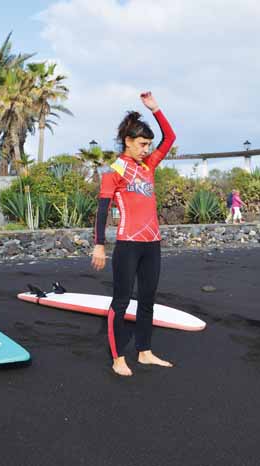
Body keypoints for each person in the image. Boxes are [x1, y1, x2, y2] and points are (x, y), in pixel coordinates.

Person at [91, 91, 176, 377]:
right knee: (122, 301)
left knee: (148, 299)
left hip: (152, 243)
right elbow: (102, 211)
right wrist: (99, 246)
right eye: (142, 143)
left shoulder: (149, 165)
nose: (146, 149)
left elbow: (171, 138)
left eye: (149, 144)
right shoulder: (114, 171)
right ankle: (118, 358)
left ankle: (145, 351)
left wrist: (156, 109)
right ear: (128, 141)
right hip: (128, 244)